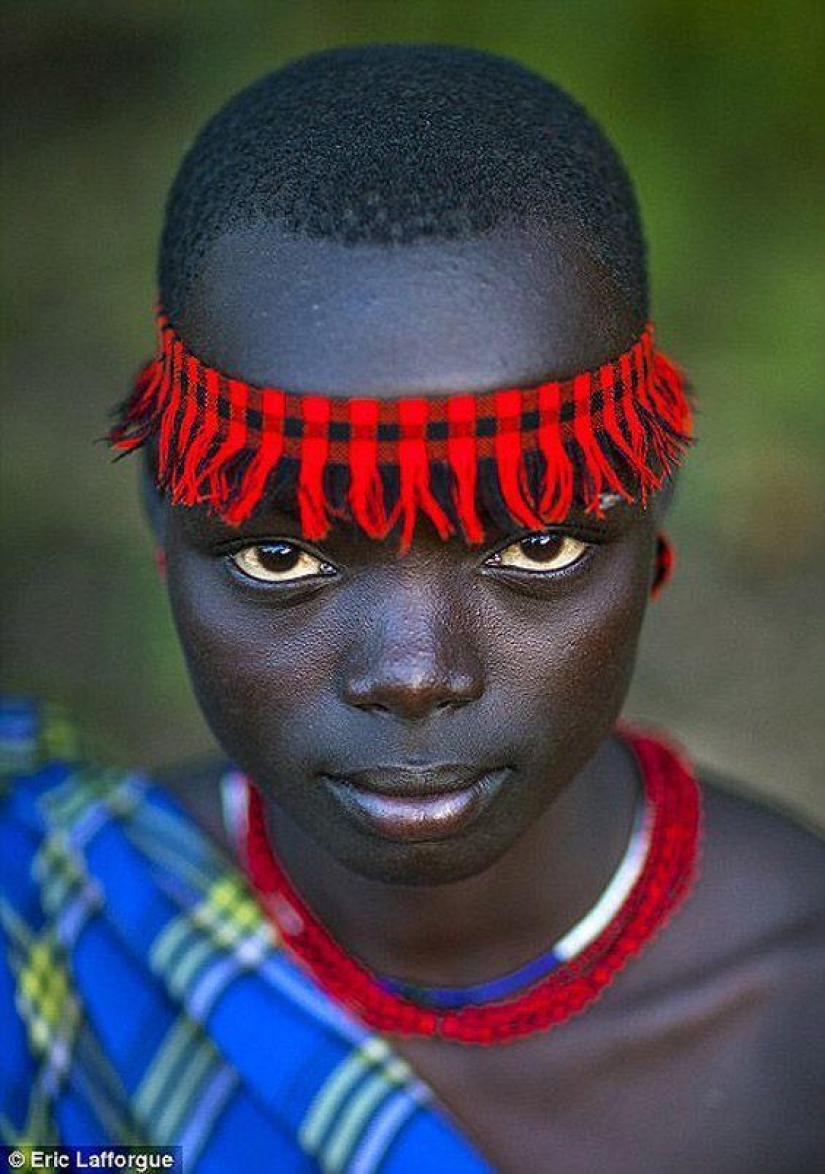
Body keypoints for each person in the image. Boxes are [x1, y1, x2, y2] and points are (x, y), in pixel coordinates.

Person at [1, 45, 823, 1174]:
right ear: (161, 518)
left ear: (654, 501)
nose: (414, 673)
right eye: (280, 554)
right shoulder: (48, 944)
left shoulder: (799, 1033)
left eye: (536, 542)